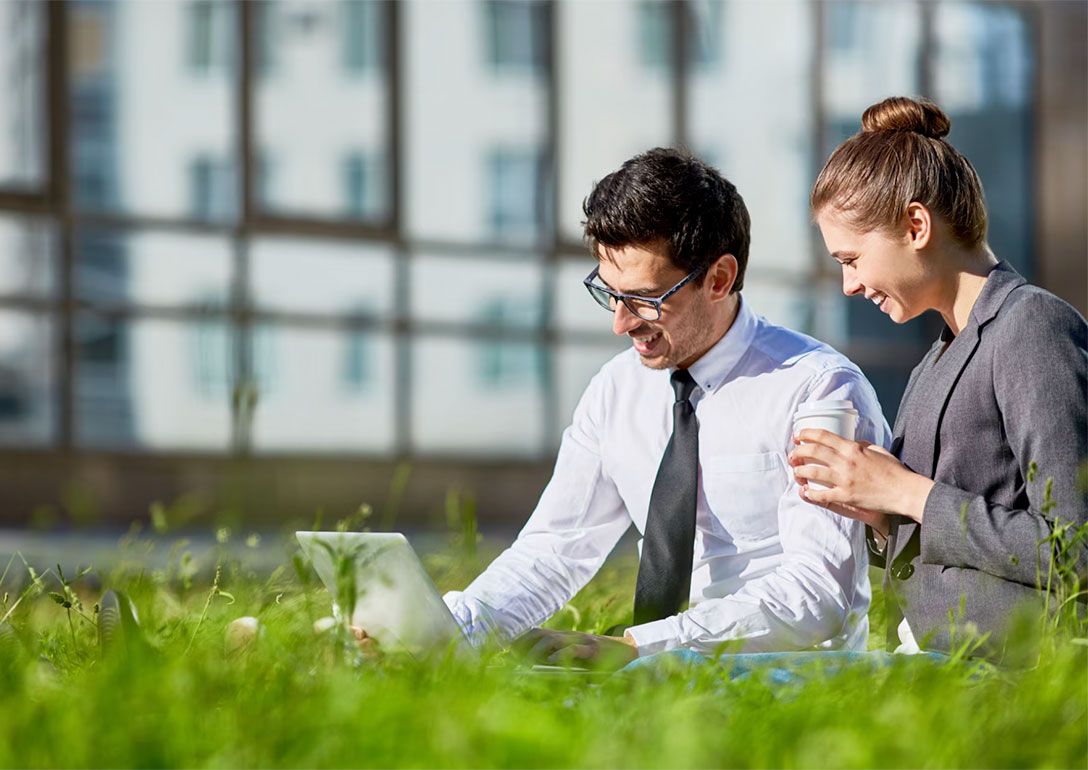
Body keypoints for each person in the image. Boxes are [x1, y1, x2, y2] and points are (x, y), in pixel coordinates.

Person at [433, 148, 890, 669]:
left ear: (718, 279)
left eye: (645, 298)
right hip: (645, 668)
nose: (621, 324)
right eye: (610, 294)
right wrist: (450, 632)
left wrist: (637, 648)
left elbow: (816, 595)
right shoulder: (615, 389)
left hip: (787, 677)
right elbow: (555, 547)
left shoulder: (817, 389)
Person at [789, 96, 1088, 664]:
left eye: (851, 259)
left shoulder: (1032, 326)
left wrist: (907, 492)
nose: (848, 285)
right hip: (924, 659)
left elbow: (1076, 548)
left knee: (687, 676)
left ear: (916, 224)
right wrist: (879, 513)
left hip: (999, 674)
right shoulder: (936, 359)